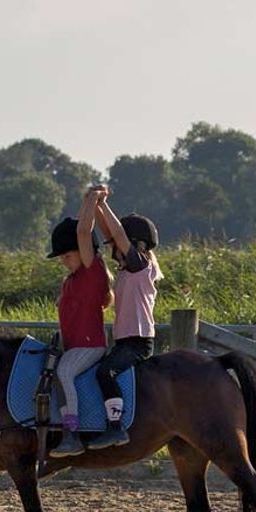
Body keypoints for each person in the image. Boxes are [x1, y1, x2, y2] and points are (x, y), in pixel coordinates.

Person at [87, 196, 163, 450]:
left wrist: (103, 203)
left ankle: (116, 428)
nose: (112, 250)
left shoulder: (139, 267)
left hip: (137, 343)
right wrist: (96, 204)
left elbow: (117, 232)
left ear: (135, 245)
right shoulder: (128, 269)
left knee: (104, 372)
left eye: (118, 246)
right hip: (125, 341)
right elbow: (112, 231)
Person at [48, 188, 112, 458]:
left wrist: (89, 201)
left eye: (68, 255)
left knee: (64, 372)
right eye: (61, 257)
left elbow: (84, 232)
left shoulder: (91, 271)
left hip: (90, 346)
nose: (64, 261)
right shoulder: (71, 280)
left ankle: (71, 434)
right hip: (73, 346)